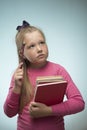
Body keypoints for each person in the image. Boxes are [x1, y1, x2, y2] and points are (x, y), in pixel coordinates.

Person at [3, 20, 85, 130]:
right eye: (31, 46)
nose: (39, 49)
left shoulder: (59, 70)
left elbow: (78, 103)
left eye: (42, 42)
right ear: (22, 53)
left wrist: (48, 111)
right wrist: (16, 88)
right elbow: (9, 113)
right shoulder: (19, 75)